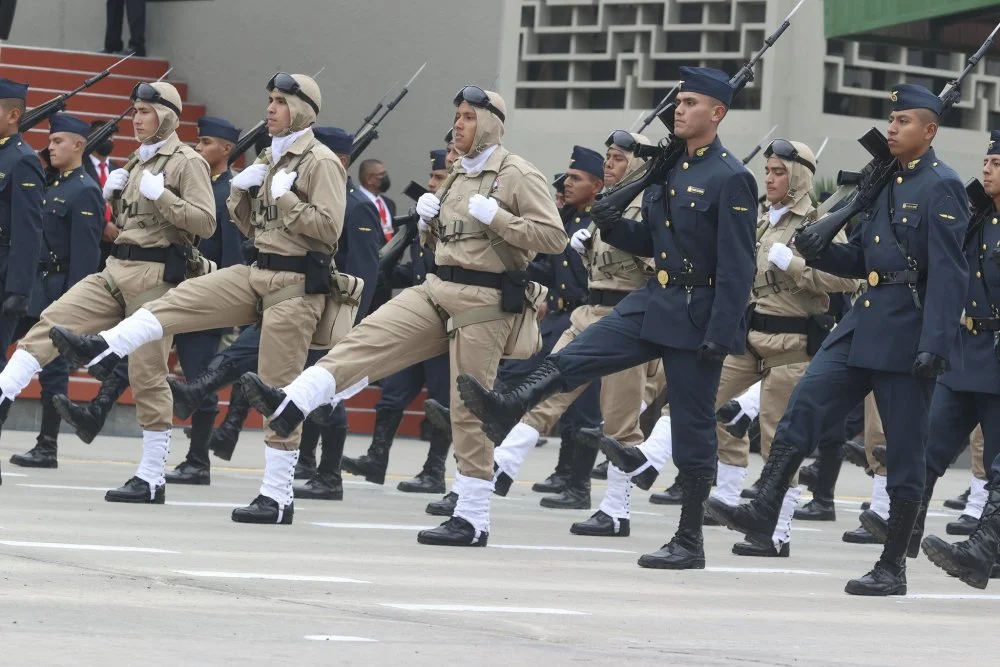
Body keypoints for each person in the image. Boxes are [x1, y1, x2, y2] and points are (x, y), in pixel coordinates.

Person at [236, 86, 566, 546]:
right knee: (366, 338)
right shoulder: (455, 175)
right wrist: (429, 225)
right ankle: (292, 402)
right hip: (436, 288)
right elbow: (442, 244)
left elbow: (553, 237)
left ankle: (471, 518)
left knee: (468, 405)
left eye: (469, 117)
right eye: (458, 116)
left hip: (486, 301)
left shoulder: (516, 175)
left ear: (491, 122)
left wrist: (500, 219)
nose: (459, 125)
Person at [457, 67, 758, 569]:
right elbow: (653, 243)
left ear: (717, 113)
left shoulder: (731, 177)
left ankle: (689, 541)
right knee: (582, 351)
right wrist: (612, 219)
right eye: (678, 102)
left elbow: (738, 266)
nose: (679, 109)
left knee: (691, 428)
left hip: (698, 313)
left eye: (690, 103)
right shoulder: (671, 170)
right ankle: (510, 404)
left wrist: (722, 333)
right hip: (653, 300)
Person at [706, 83, 969, 596]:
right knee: (803, 405)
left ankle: (892, 565)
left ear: (929, 131)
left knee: (905, 453)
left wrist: (935, 345)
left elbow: (950, 274)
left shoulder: (942, 186)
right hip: (862, 324)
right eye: (891, 120)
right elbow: (863, 263)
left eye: (904, 121)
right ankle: (765, 506)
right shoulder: (884, 181)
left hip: (907, 334)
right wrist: (817, 252)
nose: (892, 128)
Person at [51, 74, 347, 524]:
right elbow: (250, 228)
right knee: (175, 302)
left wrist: (285, 200)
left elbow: (328, 230)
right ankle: (105, 343)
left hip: (294, 283)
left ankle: (277, 494)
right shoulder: (272, 156)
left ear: (304, 110)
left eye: (281, 102)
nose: (269, 109)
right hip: (257, 270)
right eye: (269, 100)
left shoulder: (320, 162)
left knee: (277, 386)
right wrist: (244, 195)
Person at [0, 81, 215, 502]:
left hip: (156, 275)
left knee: (147, 372)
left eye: (146, 112)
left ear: (167, 116)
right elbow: (129, 221)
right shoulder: (137, 159)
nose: (136, 119)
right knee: (51, 323)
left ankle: (152, 476)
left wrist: (163, 194)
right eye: (134, 111)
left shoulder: (187, 162)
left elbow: (204, 222)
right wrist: (113, 197)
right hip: (118, 266)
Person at [458, 132, 652, 534]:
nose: (609, 164)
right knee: (545, 392)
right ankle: (502, 467)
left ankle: (616, 511)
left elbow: (656, 266)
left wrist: (623, 246)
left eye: (617, 158)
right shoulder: (608, 203)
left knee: (620, 419)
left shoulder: (648, 206)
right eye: (609, 157)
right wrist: (588, 252)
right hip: (588, 311)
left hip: (626, 318)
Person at [701, 139, 860, 556]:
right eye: (767, 171)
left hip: (791, 343)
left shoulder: (821, 221)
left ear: (799, 177)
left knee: (777, 443)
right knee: (700, 403)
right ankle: (727, 494)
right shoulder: (759, 220)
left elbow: (850, 279)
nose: (769, 178)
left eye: (779, 172)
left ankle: (776, 534)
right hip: (747, 339)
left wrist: (798, 267)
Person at [341, 148, 453, 495]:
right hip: (416, 319)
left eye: (438, 178)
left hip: (446, 321)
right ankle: (377, 459)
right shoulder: (426, 214)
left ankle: (434, 470)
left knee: (440, 400)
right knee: (392, 394)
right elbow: (419, 271)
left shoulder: (458, 217)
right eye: (432, 177)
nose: (430, 183)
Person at [917, 132, 1000, 588]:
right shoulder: (977, 220)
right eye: (986, 160)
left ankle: (982, 550)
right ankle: (903, 530)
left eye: (996, 162)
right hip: (965, 354)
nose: (985, 169)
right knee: (928, 446)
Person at [6, 114, 102, 469]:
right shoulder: (54, 184)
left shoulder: (86, 190)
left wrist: (75, 309)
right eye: (51, 139)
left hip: (59, 294)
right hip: (33, 288)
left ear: (79, 144)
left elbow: (85, 259)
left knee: (54, 371)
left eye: (59, 140)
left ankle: (47, 446)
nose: (51, 146)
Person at [158, 115, 246, 485]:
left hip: (209, 298)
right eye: (198, 142)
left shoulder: (228, 193)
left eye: (207, 142)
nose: (198, 148)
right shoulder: (196, 185)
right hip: (179, 290)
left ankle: (198, 461)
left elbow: (233, 257)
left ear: (227, 149)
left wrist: (227, 306)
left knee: (199, 379)